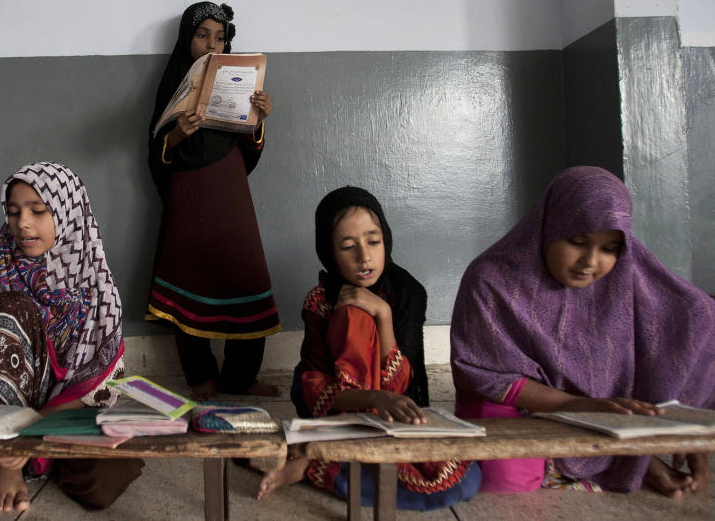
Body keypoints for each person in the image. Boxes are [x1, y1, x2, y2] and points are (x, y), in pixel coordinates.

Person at [451, 166, 715, 497]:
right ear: (548, 227)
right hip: (514, 402)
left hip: (601, 409)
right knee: (506, 481)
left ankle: (630, 459)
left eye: (610, 248)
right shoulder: (492, 280)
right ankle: (625, 460)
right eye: (577, 241)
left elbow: (698, 321)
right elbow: (487, 376)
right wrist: (578, 406)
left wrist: (695, 435)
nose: (590, 261)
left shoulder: (625, 276)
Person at [0, 161, 142, 513]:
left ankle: (32, 450)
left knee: (100, 487)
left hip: (66, 408)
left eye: (38, 211)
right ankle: (5, 459)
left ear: (68, 212)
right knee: (11, 305)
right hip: (6, 402)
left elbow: (104, 384)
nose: (22, 223)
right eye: (13, 213)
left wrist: (36, 431)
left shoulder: (97, 286)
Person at [258, 187, 480, 510]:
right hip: (335, 410)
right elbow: (313, 387)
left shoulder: (407, 294)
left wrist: (383, 315)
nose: (364, 257)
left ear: (385, 241)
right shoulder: (321, 302)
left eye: (373, 242)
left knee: (465, 481)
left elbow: (405, 388)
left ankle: (315, 465)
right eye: (348, 247)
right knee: (352, 317)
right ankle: (329, 468)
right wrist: (372, 397)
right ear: (330, 253)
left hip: (391, 409)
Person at [146, 1, 280, 399]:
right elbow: (157, 154)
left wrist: (259, 120)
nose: (211, 44)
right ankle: (200, 376)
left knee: (246, 275)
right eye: (202, 35)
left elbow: (249, 149)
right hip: (190, 196)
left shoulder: (237, 79)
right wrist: (179, 135)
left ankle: (242, 377)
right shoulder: (173, 84)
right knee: (190, 275)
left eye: (220, 38)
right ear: (187, 39)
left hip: (232, 193)